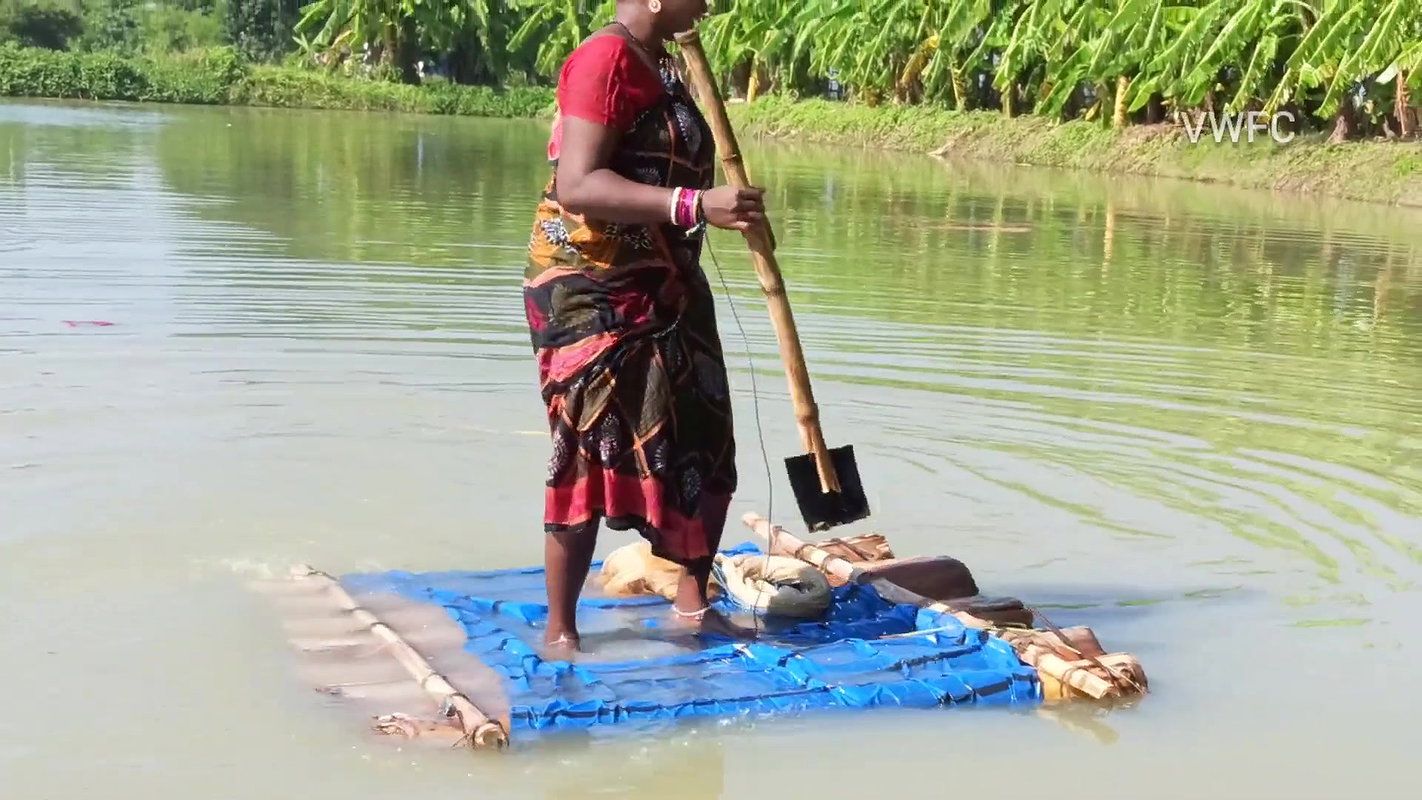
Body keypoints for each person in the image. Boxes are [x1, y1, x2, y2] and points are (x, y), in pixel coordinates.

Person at [521, 0, 766, 657]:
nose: (710, 4)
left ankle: (693, 605)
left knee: (704, 432)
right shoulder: (605, 59)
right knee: (587, 445)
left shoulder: (665, 62)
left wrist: (721, 208)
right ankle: (562, 630)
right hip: (594, 286)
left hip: (670, 281)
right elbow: (578, 183)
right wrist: (694, 204)